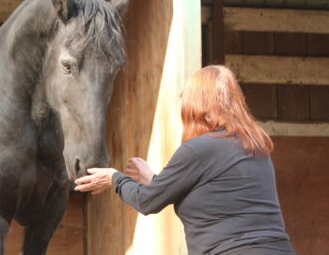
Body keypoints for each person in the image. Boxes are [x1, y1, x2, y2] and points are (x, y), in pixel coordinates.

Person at [74, 65, 295, 255]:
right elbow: (213, 196)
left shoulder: (200, 149)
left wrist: (115, 178)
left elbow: (147, 201)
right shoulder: (256, 147)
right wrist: (154, 179)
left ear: (197, 105)